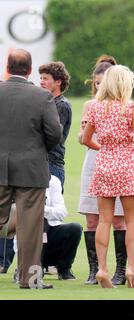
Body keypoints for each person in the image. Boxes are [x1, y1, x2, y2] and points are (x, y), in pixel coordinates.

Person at [82, 65, 134, 288]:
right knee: (131, 220)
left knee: (104, 220)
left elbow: (85, 139)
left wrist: (102, 147)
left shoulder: (95, 107)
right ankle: (130, 268)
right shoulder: (130, 108)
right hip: (127, 166)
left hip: (104, 164)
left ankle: (102, 269)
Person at [0, 49, 62, 289]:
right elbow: (55, 134)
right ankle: (31, 279)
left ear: (8, 67)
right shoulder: (42, 96)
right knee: (30, 227)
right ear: (29, 69)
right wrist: (36, 149)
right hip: (31, 168)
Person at [78, 55, 127, 286]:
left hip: (118, 164)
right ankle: (94, 269)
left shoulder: (126, 105)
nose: (98, 87)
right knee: (91, 219)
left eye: (102, 82)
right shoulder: (90, 106)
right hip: (94, 162)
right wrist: (85, 134)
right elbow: (82, 137)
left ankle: (120, 270)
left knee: (118, 220)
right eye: (95, 83)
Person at [5, 175, 82, 281]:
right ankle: (26, 267)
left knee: (75, 228)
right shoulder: (21, 183)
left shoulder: (53, 181)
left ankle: (64, 269)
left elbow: (62, 212)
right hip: (29, 240)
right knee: (32, 224)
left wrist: (40, 209)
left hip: (51, 233)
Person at [39, 62, 72, 189]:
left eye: (45, 78)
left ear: (58, 82)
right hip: (42, 162)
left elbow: (54, 136)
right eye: (41, 78)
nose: (41, 81)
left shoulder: (62, 105)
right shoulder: (46, 102)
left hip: (52, 164)